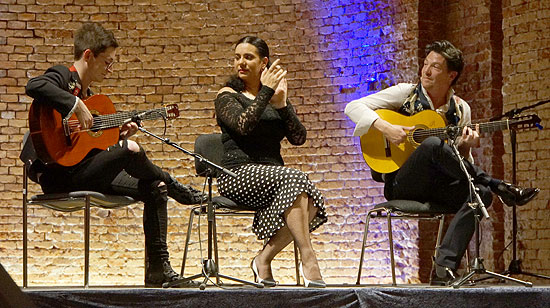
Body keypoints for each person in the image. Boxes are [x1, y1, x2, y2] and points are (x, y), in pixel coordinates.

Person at [20, 22, 206, 287]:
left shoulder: (92, 98)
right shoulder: (64, 77)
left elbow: (89, 147)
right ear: (88, 55)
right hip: (57, 174)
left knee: (155, 186)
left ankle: (158, 272)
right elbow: (34, 85)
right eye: (107, 62)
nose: (109, 69)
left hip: (84, 171)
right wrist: (75, 105)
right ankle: (180, 188)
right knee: (131, 151)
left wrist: (118, 135)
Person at [345, 40, 539, 286]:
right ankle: (499, 185)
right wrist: (387, 128)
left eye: (435, 67)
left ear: (451, 75)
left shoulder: (460, 110)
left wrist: (467, 146)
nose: (425, 71)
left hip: (439, 187)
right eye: (425, 64)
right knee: (432, 145)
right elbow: (353, 106)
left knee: (479, 194)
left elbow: (457, 163)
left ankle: (443, 267)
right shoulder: (405, 93)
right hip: (403, 182)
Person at [214, 36, 328, 288]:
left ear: (263, 62)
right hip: (237, 174)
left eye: (248, 57)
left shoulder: (273, 97)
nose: (241, 63)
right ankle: (309, 258)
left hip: (274, 178)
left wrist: (283, 104)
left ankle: (263, 259)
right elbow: (243, 126)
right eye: (237, 57)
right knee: (298, 181)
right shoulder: (227, 95)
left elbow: (299, 138)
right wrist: (265, 93)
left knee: (304, 192)